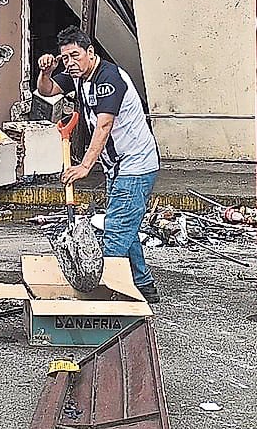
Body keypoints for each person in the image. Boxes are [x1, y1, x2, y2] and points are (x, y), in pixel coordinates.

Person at [35, 28, 164, 305]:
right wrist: (46, 71)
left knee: (116, 232)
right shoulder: (77, 77)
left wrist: (84, 166)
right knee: (125, 226)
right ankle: (144, 285)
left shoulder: (108, 78)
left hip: (136, 164)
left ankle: (103, 295)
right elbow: (46, 91)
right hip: (116, 166)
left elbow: (105, 124)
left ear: (90, 53)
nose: (69, 62)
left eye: (75, 56)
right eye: (64, 57)